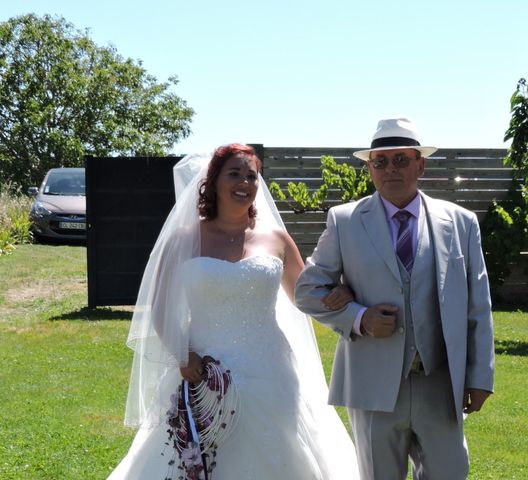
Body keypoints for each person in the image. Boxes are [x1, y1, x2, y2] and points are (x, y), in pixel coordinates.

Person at [108, 144, 360, 479]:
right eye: (234, 174)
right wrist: (184, 356)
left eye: (252, 176)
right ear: (212, 182)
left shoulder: (277, 239)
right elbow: (160, 307)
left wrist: (342, 291)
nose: (245, 182)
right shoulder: (184, 238)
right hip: (202, 370)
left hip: (270, 369)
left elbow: (307, 294)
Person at [295, 118, 495, 479]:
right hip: (372, 384)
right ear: (370, 166)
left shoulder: (461, 222)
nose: (391, 169)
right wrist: (360, 317)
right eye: (381, 161)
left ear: (420, 164)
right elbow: (307, 291)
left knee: (451, 472)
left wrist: (480, 376)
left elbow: (477, 306)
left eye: (401, 159)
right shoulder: (345, 221)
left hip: (439, 381)